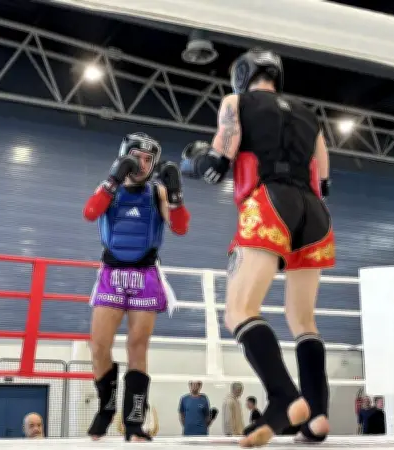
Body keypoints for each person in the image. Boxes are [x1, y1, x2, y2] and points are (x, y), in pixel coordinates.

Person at [181, 48, 334, 447]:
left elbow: (216, 165)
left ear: (243, 75)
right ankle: (317, 415)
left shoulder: (235, 103)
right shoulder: (310, 116)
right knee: (303, 319)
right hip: (315, 214)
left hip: (269, 202)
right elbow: (324, 179)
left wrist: (191, 162)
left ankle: (284, 397)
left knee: (239, 310)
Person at [82, 132, 191, 442]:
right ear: (124, 156)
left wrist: (176, 195)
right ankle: (106, 408)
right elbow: (90, 213)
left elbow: (180, 228)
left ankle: (133, 422)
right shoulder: (109, 188)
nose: (142, 164)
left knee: (137, 346)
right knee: (99, 345)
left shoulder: (157, 191)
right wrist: (112, 179)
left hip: (145, 274)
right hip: (112, 273)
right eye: (137, 157)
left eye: (148, 159)